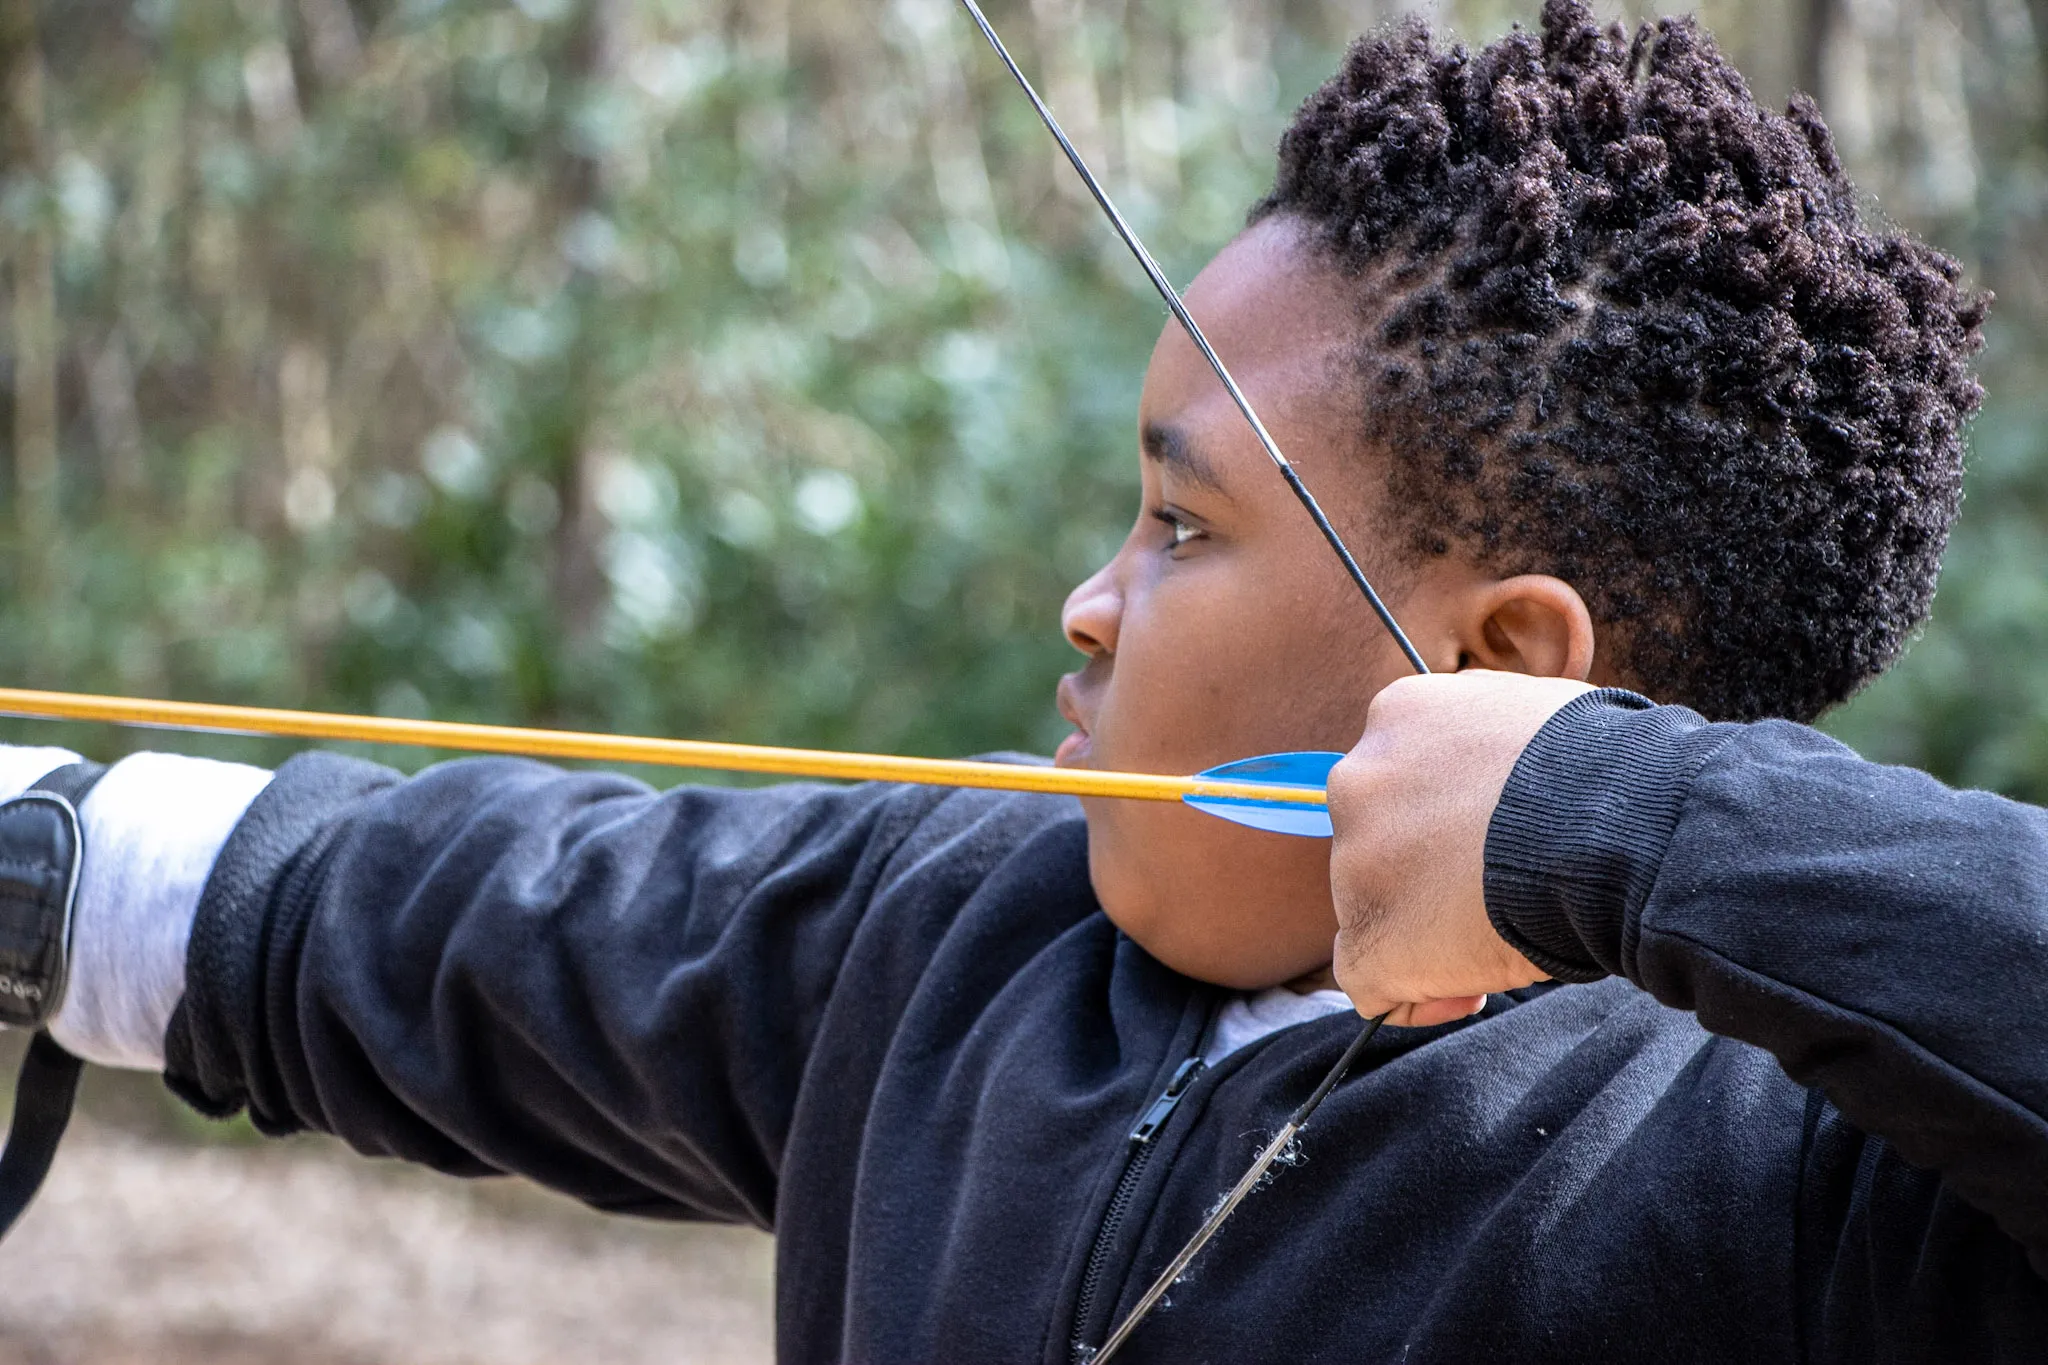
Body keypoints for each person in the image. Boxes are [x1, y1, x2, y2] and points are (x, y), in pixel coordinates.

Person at [1, 2, 2033, 1358]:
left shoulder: (1807, 1185)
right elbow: (496, 917)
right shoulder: (978, 930)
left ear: (1499, 668)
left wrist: (1608, 821)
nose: (1088, 604)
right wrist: (55, 862)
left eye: (1182, 528)